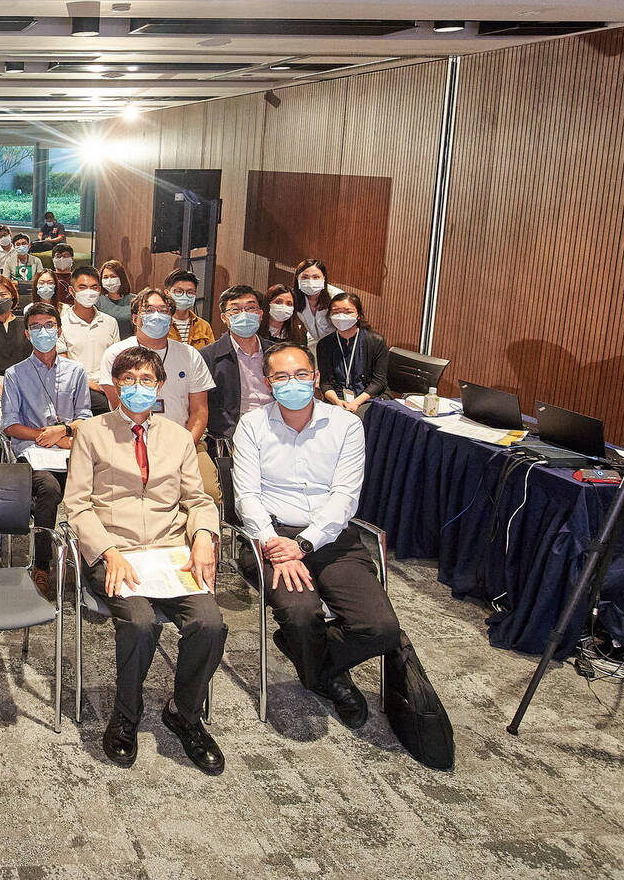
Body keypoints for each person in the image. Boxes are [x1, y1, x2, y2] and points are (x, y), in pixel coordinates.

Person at [64, 345, 225, 774]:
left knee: (210, 624)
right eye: (129, 380)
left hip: (170, 554)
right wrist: (109, 551)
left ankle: (184, 713)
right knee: (140, 622)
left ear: (159, 387)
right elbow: (76, 506)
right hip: (114, 551)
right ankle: (126, 714)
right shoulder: (92, 433)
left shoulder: (176, 436)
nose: (138, 388)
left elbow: (198, 499)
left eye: (146, 381)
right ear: (116, 386)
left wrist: (205, 536)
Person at [233, 344, 401, 729]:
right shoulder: (253, 425)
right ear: (268, 383)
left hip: (331, 538)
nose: (292, 383)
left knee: (381, 629)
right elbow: (247, 496)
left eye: (301, 374)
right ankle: (326, 675)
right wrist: (277, 545)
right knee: (301, 614)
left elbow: (345, 496)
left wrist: (305, 544)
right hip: (271, 537)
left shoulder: (346, 425)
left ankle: (313, 662)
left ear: (316, 378)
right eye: (281, 376)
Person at [0, 301, 92, 599]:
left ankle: (95, 562)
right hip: (33, 453)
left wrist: (63, 432)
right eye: (36, 327)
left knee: (101, 483)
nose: (43, 332)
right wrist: (45, 436)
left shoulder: (76, 371)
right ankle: (42, 565)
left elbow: (85, 418)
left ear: (59, 330)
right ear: (27, 334)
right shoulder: (14, 374)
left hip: (70, 451)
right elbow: (11, 425)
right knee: (50, 489)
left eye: (49, 326)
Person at [98, 287, 214, 449]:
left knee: (208, 473)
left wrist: (185, 447)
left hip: (181, 441)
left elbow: (199, 411)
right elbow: (118, 408)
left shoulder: (190, 355)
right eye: (149, 310)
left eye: (163, 311)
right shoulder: (116, 354)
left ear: (171, 318)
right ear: (135, 318)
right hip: (128, 442)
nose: (156, 315)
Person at [199, 284, 279, 508]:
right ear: (224, 317)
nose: (244, 314)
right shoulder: (208, 356)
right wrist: (238, 435)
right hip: (235, 433)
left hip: (277, 426)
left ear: (261, 315)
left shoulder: (276, 353)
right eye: (235, 310)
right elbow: (210, 409)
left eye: (250, 308)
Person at [316, 291, 390, 415]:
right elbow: (325, 383)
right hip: (338, 398)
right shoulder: (324, 344)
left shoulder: (376, 341)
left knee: (355, 418)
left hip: (369, 397)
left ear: (359, 315)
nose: (341, 316)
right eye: (336, 312)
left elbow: (379, 381)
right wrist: (336, 401)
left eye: (348, 311)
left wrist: (356, 403)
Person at [59, 267, 120, 415]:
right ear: (72, 291)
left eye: (93, 287)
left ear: (99, 290)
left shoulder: (110, 322)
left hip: (108, 384)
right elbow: (64, 365)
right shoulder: (61, 323)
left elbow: (117, 361)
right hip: (77, 385)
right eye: (83, 287)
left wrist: (109, 386)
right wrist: (95, 386)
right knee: (105, 406)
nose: (89, 292)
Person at [294, 259, 340, 346]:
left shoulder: (337, 296)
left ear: (324, 278)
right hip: (314, 342)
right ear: (297, 278)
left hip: (337, 343)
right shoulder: (294, 297)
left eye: (316, 277)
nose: (310, 281)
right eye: (305, 277)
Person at [164, 269, 214, 348]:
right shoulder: (160, 322)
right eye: (179, 291)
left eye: (190, 292)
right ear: (167, 293)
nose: (184, 296)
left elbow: (211, 356)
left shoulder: (203, 326)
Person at [96, 259, 137, 339]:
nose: (109, 280)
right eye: (105, 277)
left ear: (121, 278)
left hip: (127, 347)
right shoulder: (97, 301)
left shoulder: (135, 300)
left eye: (113, 276)